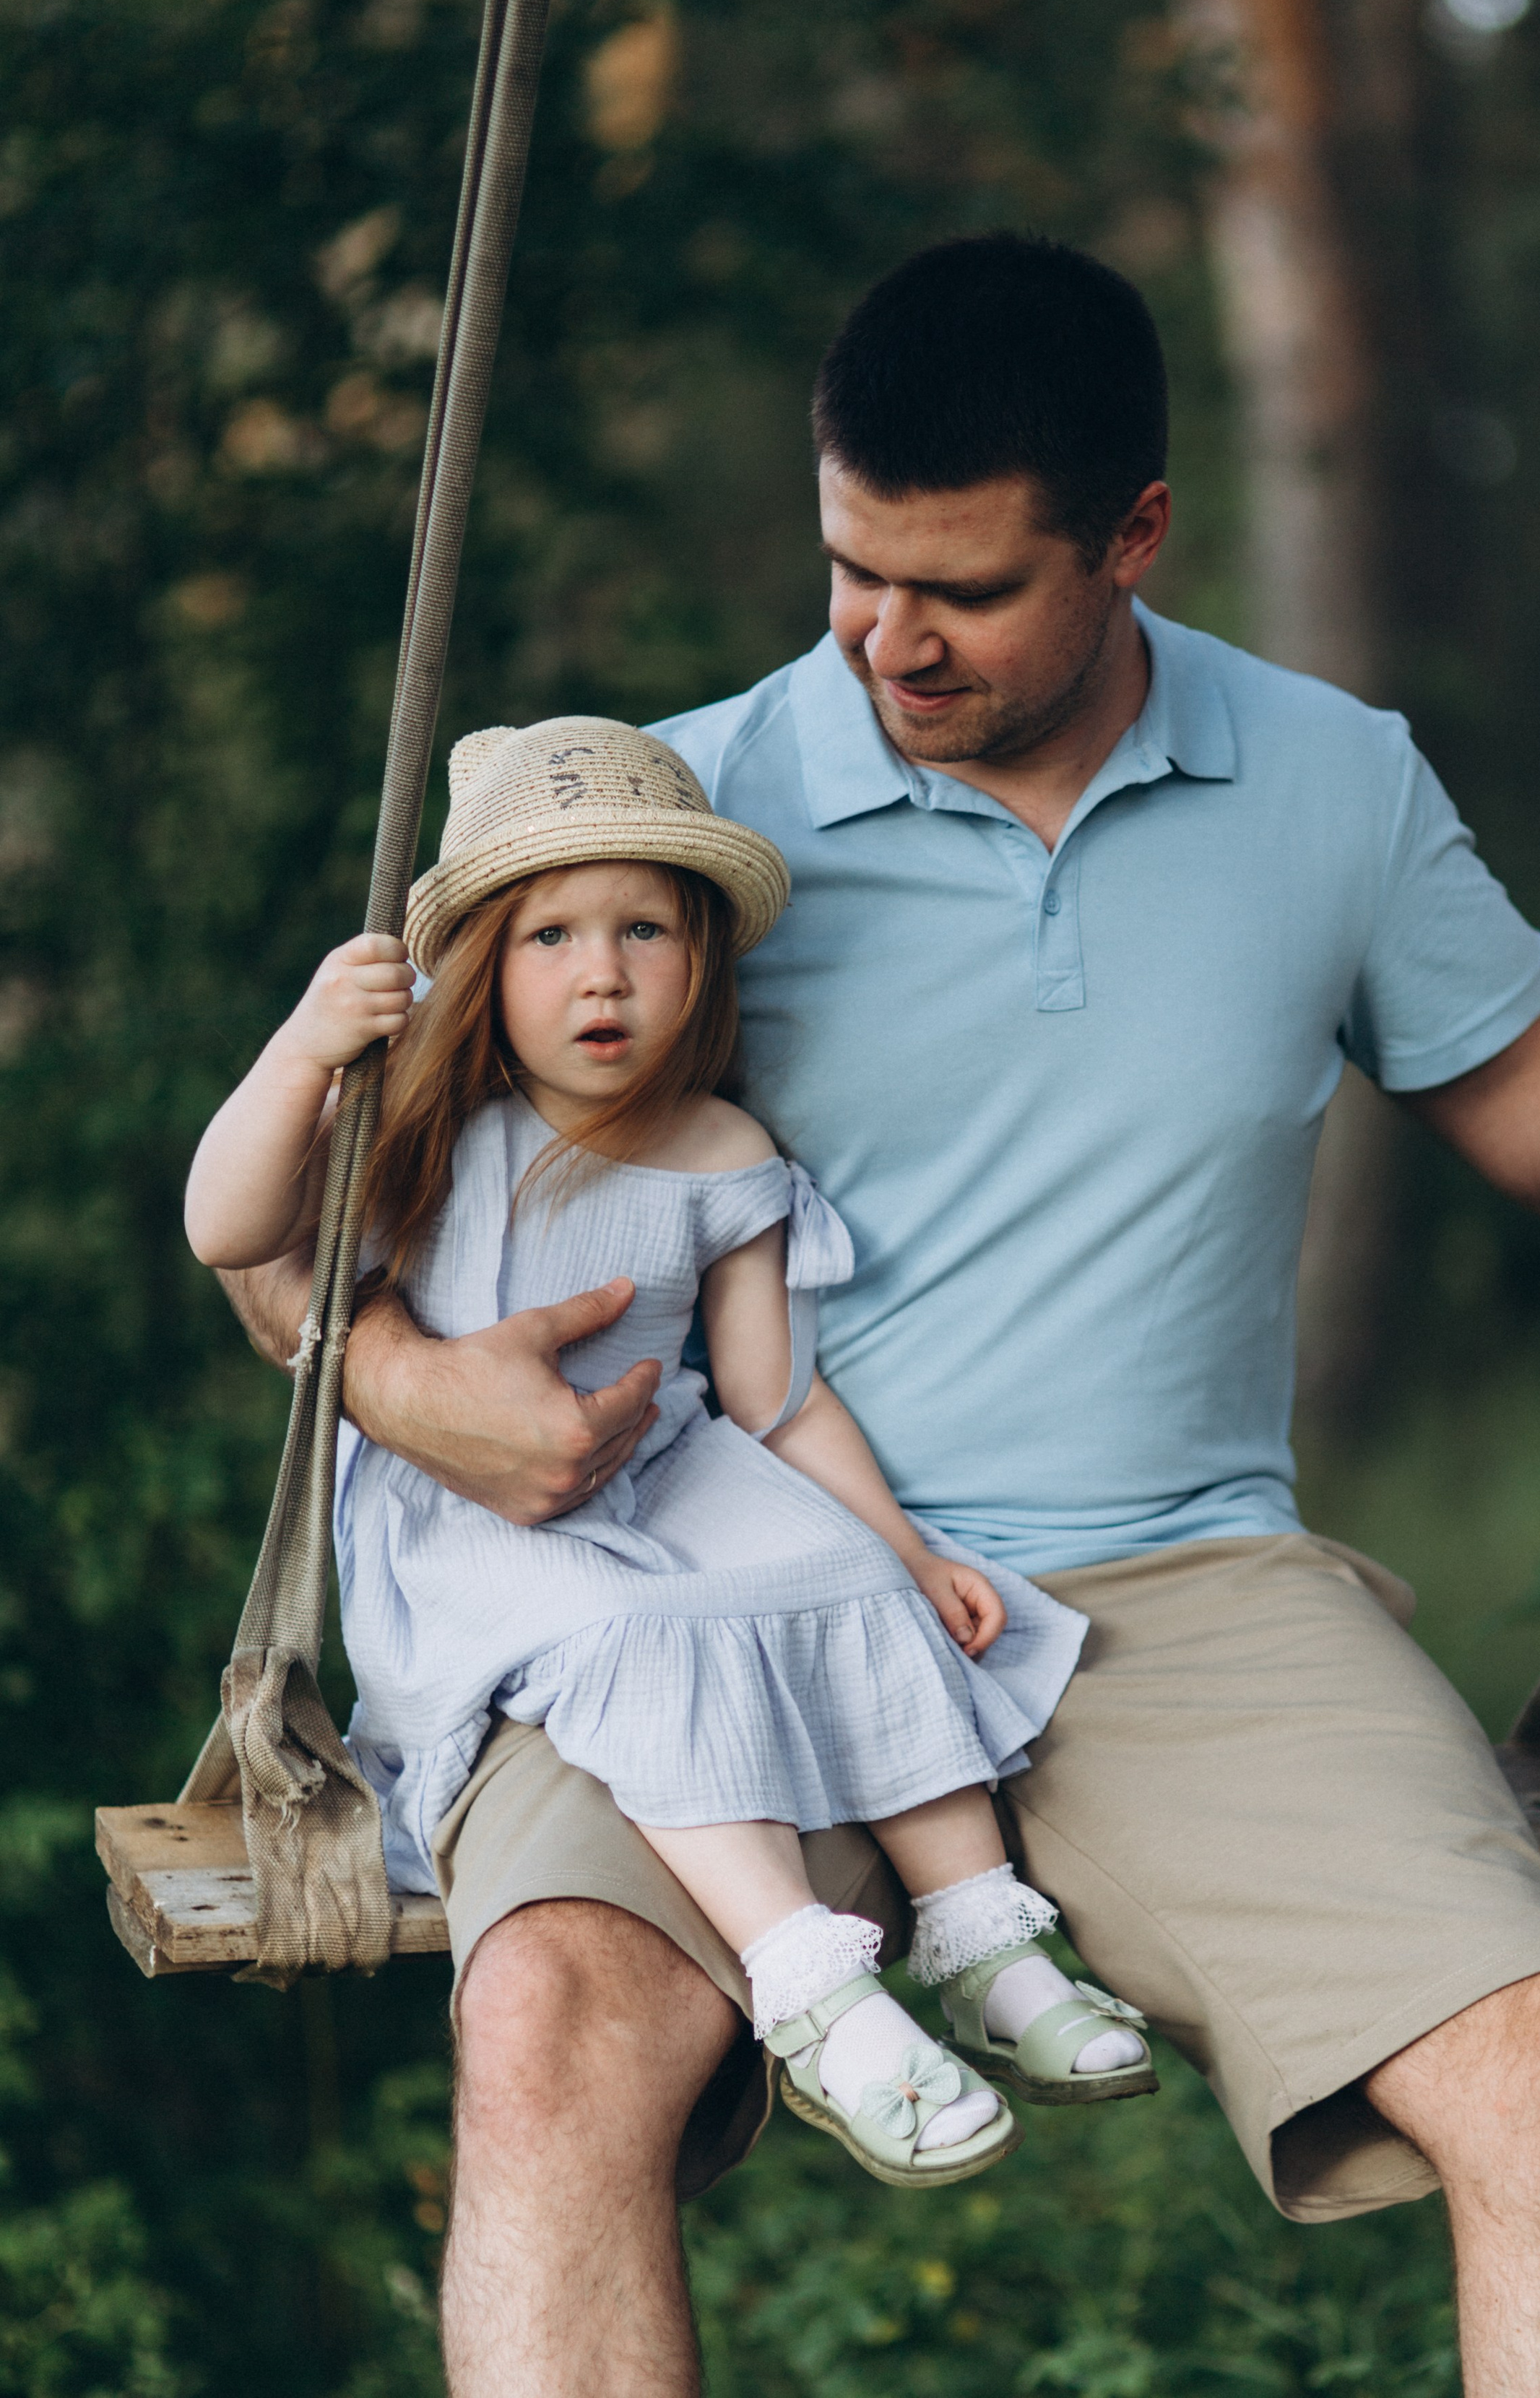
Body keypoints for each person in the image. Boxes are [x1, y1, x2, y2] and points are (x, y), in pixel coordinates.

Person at [220, 234, 1540, 2398]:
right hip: (693, 1582)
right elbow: (310, 1243)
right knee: (548, 2028)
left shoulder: (1332, 782)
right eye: (848, 571)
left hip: (1184, 1583)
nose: (887, 639)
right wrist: (429, 1399)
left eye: (963, 592)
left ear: (1134, 538)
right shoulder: (661, 844)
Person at [184, 716, 1156, 2190]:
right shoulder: (428, 1132)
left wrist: (903, 1552)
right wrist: (305, 1048)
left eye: (644, 928)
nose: (602, 974)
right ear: (480, 970)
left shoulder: (717, 1149)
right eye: (551, 936)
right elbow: (225, 1229)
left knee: (841, 1574)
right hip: (470, 1520)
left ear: (700, 959)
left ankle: (984, 1945)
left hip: (670, 1471)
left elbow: (777, 1402)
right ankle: (810, 1986)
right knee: (626, 1628)